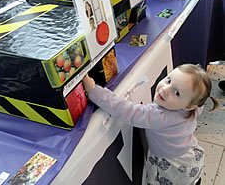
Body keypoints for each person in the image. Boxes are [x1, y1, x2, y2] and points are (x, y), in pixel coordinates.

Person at [82, 64, 218, 184]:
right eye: (169, 80)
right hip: (190, 157)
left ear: (190, 106)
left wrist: (94, 90)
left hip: (173, 166)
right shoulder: (194, 108)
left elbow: (124, 110)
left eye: (176, 93)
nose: (165, 89)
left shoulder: (159, 116)